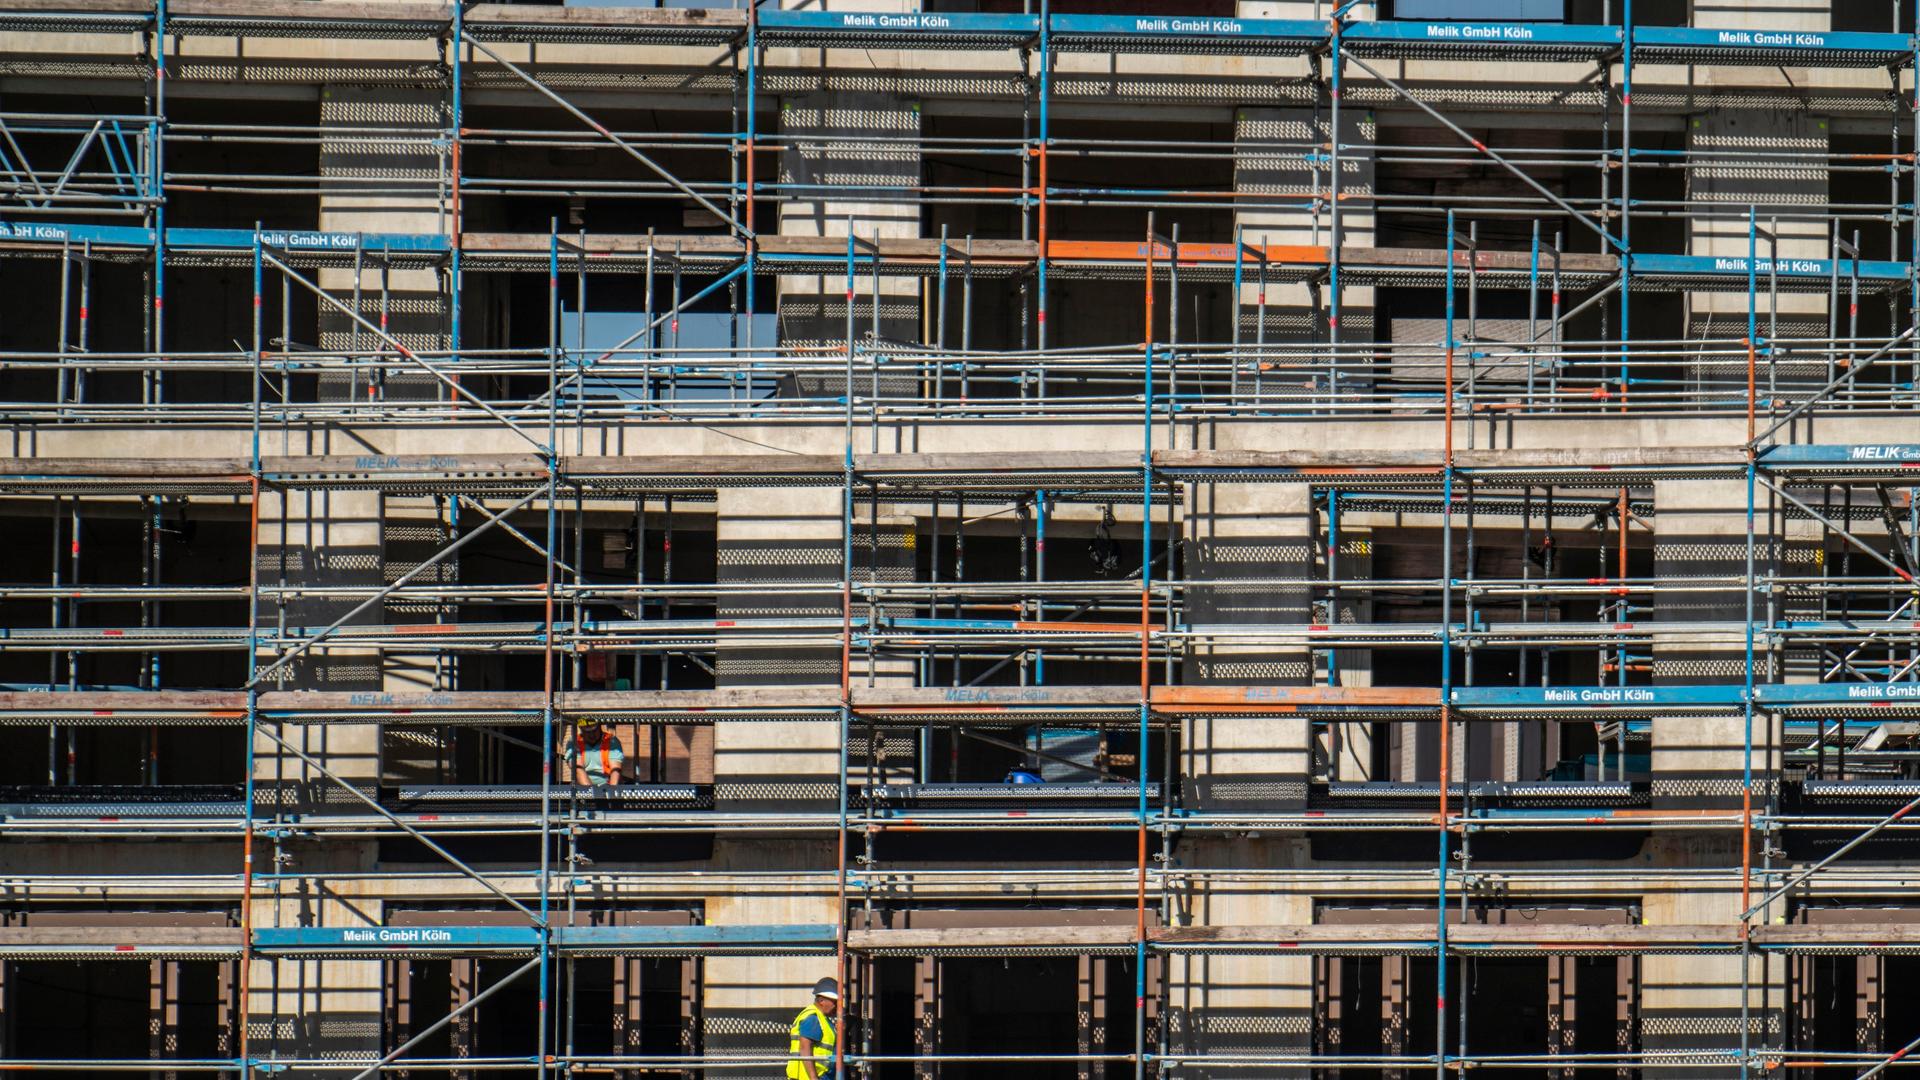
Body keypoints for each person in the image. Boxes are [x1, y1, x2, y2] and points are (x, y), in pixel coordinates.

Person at [787, 977, 840, 1080]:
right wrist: (814, 1077)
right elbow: (805, 1048)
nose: (837, 1006)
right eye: (834, 1002)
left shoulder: (822, 1018)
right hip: (810, 1077)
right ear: (821, 1000)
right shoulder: (813, 1018)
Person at [562, 721, 625, 787]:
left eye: (594, 731)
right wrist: (592, 794)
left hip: (607, 786)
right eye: (587, 732)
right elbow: (578, 770)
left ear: (600, 727)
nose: (592, 735)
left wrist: (612, 792)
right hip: (583, 789)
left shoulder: (612, 741)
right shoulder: (574, 742)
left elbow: (615, 771)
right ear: (581, 729)